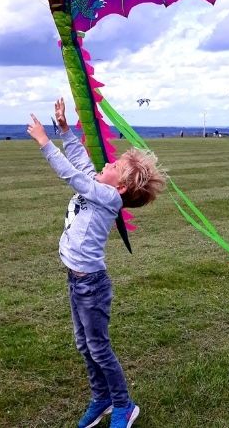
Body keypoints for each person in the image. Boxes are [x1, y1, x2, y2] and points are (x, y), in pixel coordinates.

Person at [26, 98, 166, 428]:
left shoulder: (109, 196)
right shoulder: (103, 186)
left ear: (119, 186)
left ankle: (123, 405)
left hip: (91, 285)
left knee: (99, 348)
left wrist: (46, 142)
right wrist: (63, 127)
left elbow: (73, 175)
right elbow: (81, 161)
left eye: (111, 167)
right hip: (77, 281)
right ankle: (100, 398)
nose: (103, 165)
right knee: (83, 344)